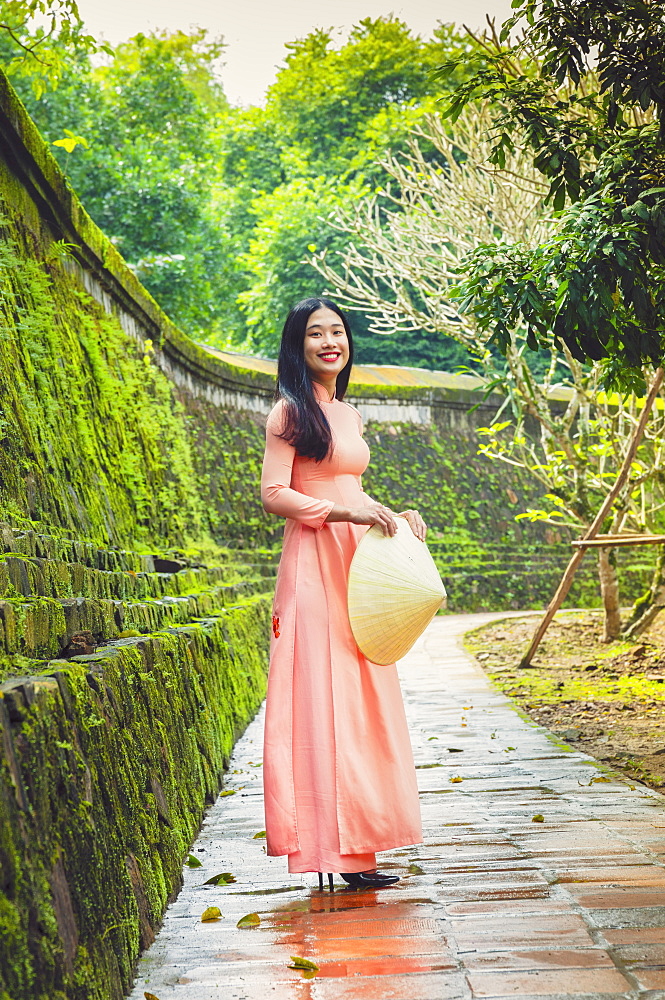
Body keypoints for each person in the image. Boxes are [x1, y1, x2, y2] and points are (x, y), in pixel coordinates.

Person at [260, 297, 424, 889]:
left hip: (356, 563)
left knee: (360, 698)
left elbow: (354, 485)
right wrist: (340, 512)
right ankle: (326, 849)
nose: (329, 341)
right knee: (322, 697)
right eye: (315, 333)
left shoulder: (348, 414)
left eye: (337, 331)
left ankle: (361, 846)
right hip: (314, 564)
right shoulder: (289, 412)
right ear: (297, 346)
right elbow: (275, 492)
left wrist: (393, 514)